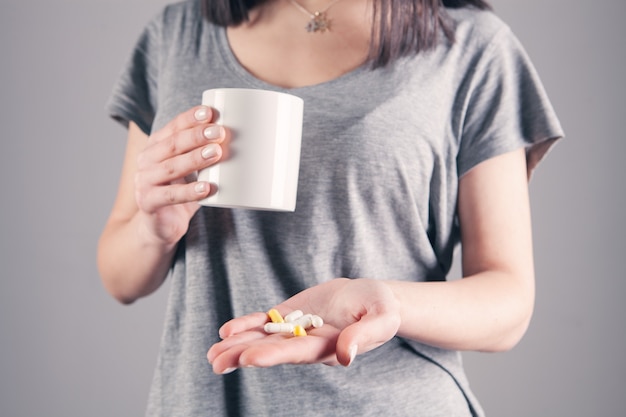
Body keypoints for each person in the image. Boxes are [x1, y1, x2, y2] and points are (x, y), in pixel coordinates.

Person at [98, 0, 563, 415]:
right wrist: (152, 230)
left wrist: (389, 302)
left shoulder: (472, 45)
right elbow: (119, 278)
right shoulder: (176, 32)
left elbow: (509, 306)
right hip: (204, 400)